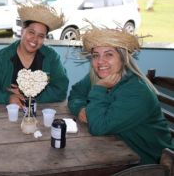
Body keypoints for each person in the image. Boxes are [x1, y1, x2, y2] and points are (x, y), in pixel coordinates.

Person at [67, 26, 173, 164]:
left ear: (123, 58)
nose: (100, 61)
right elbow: (75, 94)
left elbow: (98, 127)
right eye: (95, 55)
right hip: (115, 147)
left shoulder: (137, 92)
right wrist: (80, 108)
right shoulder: (101, 75)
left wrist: (99, 89)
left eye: (109, 54)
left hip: (148, 162)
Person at [0, 4, 69, 107]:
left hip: (40, 114)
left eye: (41, 36)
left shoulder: (52, 58)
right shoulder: (1, 58)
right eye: (31, 32)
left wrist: (29, 95)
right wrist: (8, 98)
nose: (35, 39)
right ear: (22, 31)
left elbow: (61, 90)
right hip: (7, 115)